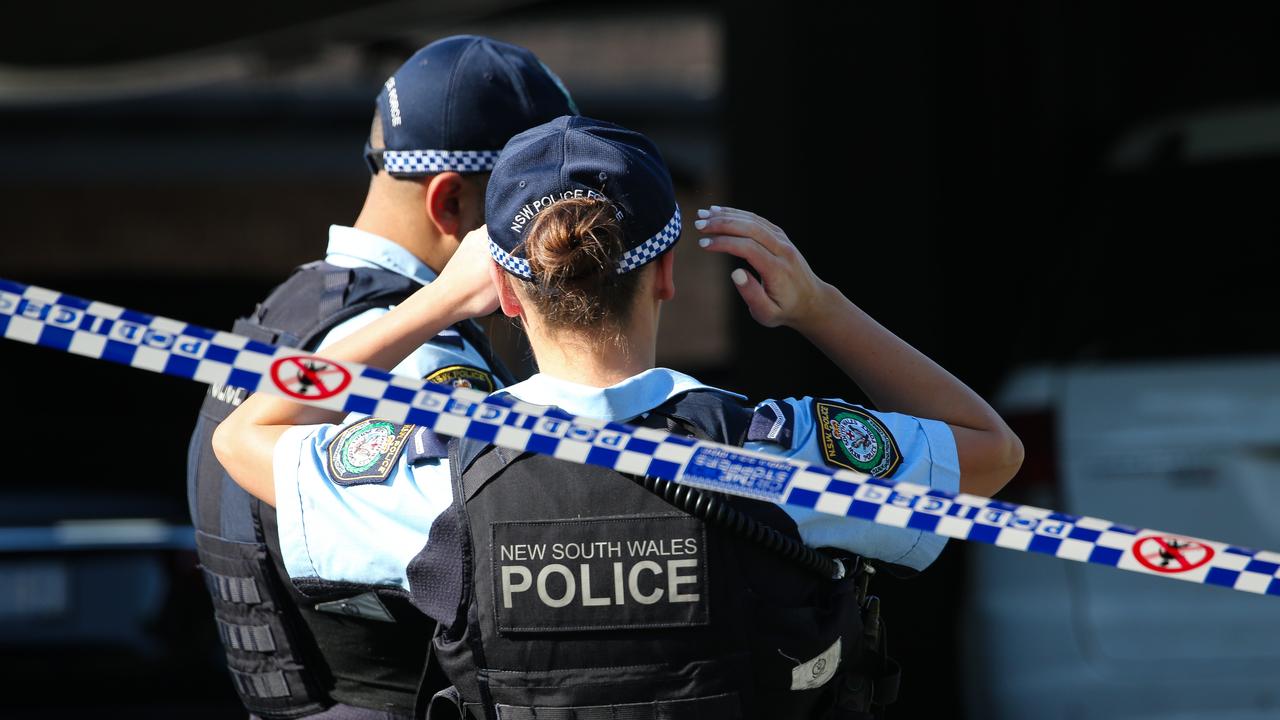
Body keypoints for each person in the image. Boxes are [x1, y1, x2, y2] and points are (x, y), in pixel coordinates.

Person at [213, 116, 1024, 719]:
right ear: (667, 273)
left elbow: (243, 433)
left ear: (502, 290)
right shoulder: (778, 456)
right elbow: (993, 450)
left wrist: (429, 306)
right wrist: (821, 308)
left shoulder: (439, 475)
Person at [187, 36, 576, 720]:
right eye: (536, 206)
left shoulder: (284, 315)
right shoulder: (422, 361)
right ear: (451, 203)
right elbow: (507, 579)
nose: (558, 235)